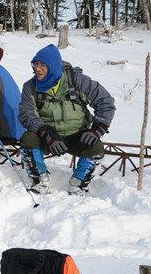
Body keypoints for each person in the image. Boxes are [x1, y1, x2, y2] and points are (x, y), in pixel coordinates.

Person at [18, 44, 115, 195]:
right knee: (27, 139)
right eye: (35, 64)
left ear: (53, 66)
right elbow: (27, 114)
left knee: (96, 148)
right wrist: (46, 132)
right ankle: (40, 180)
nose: (37, 68)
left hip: (77, 134)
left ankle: (78, 183)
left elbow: (105, 102)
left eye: (43, 64)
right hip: (48, 137)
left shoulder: (77, 81)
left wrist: (97, 129)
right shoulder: (30, 87)